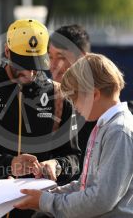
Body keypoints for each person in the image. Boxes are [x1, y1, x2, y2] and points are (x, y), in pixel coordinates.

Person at [0, 19, 81, 217]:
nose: (30, 72)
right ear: (7, 51)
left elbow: (76, 159)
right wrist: (8, 165)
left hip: (39, 212)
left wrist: (58, 166)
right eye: (23, 64)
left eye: (36, 64)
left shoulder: (59, 96)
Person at [14, 53, 133, 218]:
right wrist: (45, 194)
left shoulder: (119, 131)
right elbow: (84, 185)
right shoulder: (105, 126)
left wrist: (46, 201)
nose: (75, 107)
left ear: (94, 94)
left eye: (75, 98)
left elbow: (101, 200)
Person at [48, 25, 94, 175]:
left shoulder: (99, 109)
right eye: (50, 56)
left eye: (61, 57)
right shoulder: (45, 104)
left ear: (82, 58)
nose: (53, 65)